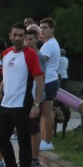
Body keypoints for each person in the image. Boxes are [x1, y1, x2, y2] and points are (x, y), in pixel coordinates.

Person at [0, 22, 45, 167]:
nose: (17, 38)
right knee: (1, 137)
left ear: (24, 37)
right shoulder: (6, 54)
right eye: (15, 35)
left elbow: (39, 80)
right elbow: (4, 80)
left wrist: (36, 104)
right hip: (5, 104)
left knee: (23, 141)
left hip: (23, 105)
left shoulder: (30, 55)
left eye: (21, 35)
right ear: (10, 35)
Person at [37, 18, 60, 152]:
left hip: (49, 81)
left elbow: (41, 63)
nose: (42, 30)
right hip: (50, 80)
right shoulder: (49, 43)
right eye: (41, 27)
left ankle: (47, 141)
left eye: (45, 27)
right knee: (46, 113)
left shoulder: (49, 45)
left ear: (52, 29)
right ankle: (45, 140)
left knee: (46, 113)